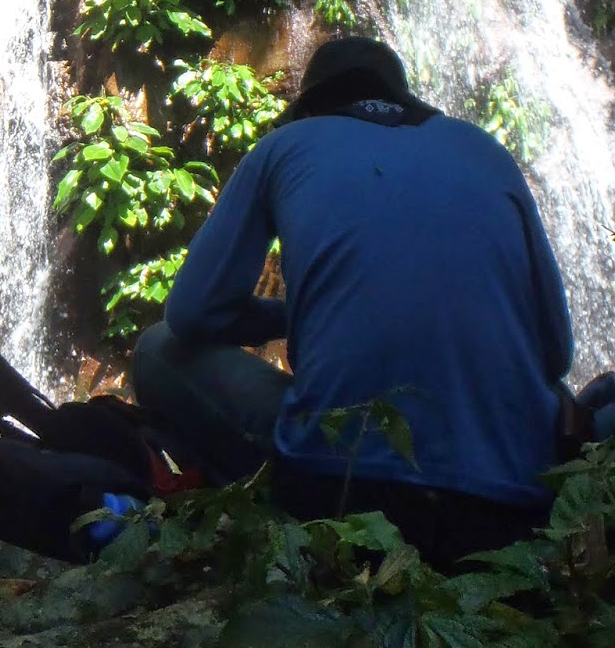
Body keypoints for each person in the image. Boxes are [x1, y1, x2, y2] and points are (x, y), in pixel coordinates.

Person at [132, 36, 575, 566]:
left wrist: (294, 316)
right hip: (512, 502)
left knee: (157, 347)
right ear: (403, 98)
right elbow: (557, 353)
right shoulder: (485, 150)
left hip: (344, 493)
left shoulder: (284, 145)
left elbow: (190, 313)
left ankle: (264, 524)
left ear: (311, 107)